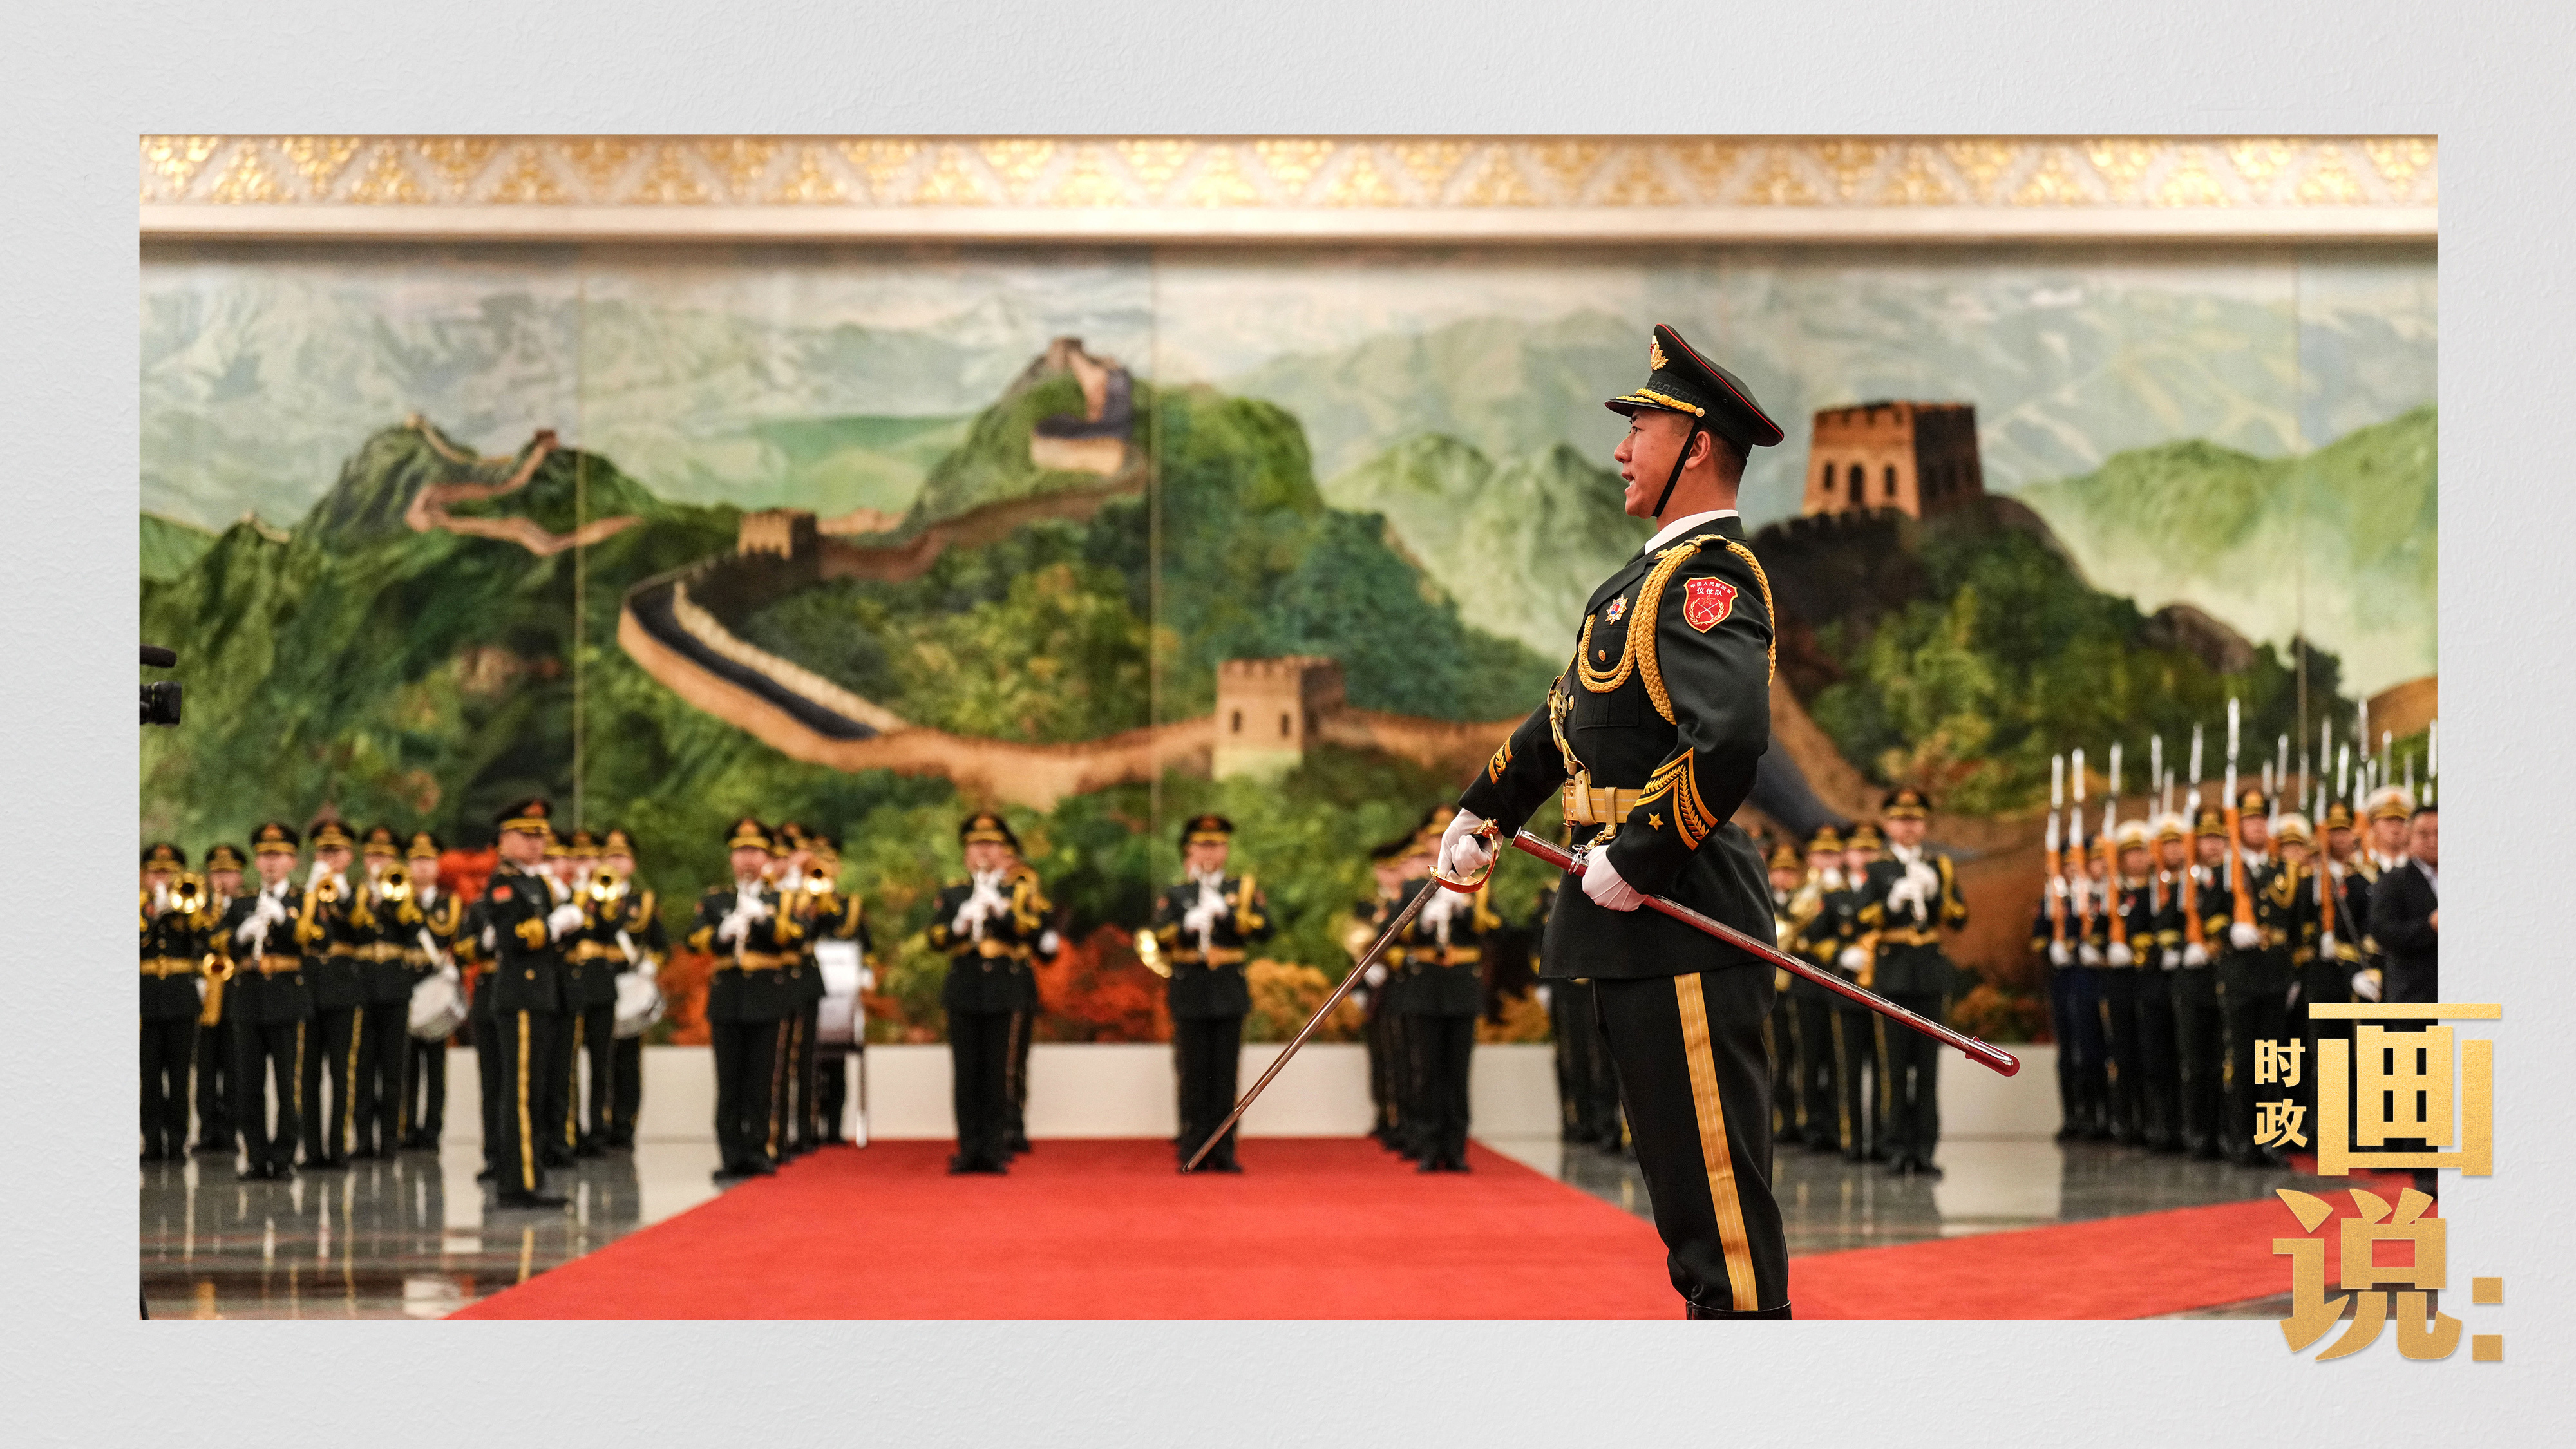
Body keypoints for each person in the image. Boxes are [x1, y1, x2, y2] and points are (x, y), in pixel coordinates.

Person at [1441, 323, 1792, 1318]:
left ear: (1697, 444)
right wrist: (1484, 807)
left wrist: (1640, 855)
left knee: (1717, 1211)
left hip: (1682, 916)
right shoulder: (1640, 583)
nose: (1620, 448)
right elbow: (1566, 717)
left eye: (1641, 427)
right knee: (1685, 1201)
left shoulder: (1708, 578)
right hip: (1637, 923)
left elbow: (1730, 739)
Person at [1144, 814, 1271, 1173]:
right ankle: (1193, 1148)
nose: (1209, 853)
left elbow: (1265, 929)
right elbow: (1158, 936)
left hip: (1228, 989)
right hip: (1190, 988)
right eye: (1202, 846)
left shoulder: (1241, 889)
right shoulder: (1177, 893)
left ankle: (1224, 1149)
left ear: (1225, 850)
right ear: (1190, 850)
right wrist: (1185, 926)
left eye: (1216, 846)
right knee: (1192, 1074)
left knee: (1225, 1076)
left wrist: (1227, 915)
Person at [1855, 787, 1971, 1177]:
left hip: (1930, 973)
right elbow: (1861, 917)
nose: (1909, 827)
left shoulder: (1940, 866)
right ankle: (1895, 1146)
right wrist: (1890, 903)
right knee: (1893, 1065)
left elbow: (1959, 917)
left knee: (1927, 1067)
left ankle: (1924, 1148)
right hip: (1893, 974)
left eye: (1916, 820)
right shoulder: (1878, 869)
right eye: (1901, 820)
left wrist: (1936, 892)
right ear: (1889, 824)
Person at [477, 798, 586, 1208]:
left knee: (534, 1090)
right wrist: (553, 927)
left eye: (540, 836)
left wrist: (570, 922)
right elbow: (512, 939)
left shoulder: (537, 884)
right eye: (527, 835)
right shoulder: (503, 884)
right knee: (521, 1091)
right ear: (505, 839)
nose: (537, 843)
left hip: (540, 993)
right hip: (519, 995)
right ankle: (518, 1182)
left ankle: (530, 1173)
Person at [926, 813, 1049, 1175]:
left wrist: (1001, 910)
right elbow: (935, 937)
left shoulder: (1018, 891)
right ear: (966, 854)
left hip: (1003, 989)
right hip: (964, 986)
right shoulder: (954, 893)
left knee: (998, 1072)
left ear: (1003, 851)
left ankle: (994, 1149)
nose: (984, 852)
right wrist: (960, 923)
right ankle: (968, 1149)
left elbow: (1034, 932)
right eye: (977, 846)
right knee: (966, 1074)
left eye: (991, 845)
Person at [688, 817, 808, 1181]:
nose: (748, 859)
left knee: (761, 1080)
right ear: (732, 858)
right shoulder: (717, 899)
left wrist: (765, 920)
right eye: (741, 852)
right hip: (727, 996)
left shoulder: (780, 899)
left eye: (755, 851)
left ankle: (759, 1150)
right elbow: (694, 940)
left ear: (767, 857)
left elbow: (797, 937)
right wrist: (722, 933)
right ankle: (730, 1155)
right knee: (729, 1083)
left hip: (765, 996)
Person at [2213, 789, 2317, 1166]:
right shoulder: (2224, 871)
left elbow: (2299, 925)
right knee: (2243, 1058)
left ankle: (2272, 1139)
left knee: (2273, 1058)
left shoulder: (2285, 870)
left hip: (2276, 974)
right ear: (2238, 825)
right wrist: (2230, 931)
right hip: (2240, 974)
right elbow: (2210, 916)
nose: (2256, 826)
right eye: (2249, 820)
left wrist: (2295, 975)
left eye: (2261, 819)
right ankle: (2242, 1138)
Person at [1395, 810, 1497, 1174]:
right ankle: (1428, 1145)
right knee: (1427, 1071)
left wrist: (1465, 909)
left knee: (1458, 1072)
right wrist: (1424, 920)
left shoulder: (1477, 883)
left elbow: (1496, 928)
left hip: (1461, 987)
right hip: (1425, 986)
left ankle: (1456, 1148)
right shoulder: (1414, 887)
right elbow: (1395, 930)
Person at [221, 823, 311, 1181]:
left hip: (287, 999)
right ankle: (256, 1156)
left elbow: (316, 941)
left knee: (289, 1085)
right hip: (249, 999)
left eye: (278, 856)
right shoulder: (243, 902)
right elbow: (218, 941)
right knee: (249, 1085)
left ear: (292, 861)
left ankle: (284, 1156)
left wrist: (283, 921)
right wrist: (240, 936)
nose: (270, 863)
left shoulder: (302, 900)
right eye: (264, 856)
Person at [293, 820, 372, 1169]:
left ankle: (339, 1147)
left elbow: (365, 931)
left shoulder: (358, 893)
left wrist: (340, 895)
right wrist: (311, 895)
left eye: (336, 852)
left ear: (349, 856)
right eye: (323, 851)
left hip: (343, 988)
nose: (329, 858)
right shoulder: (302, 894)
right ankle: (311, 1149)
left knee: (344, 1073)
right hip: (308, 987)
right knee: (307, 1074)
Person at [551, 828, 621, 1161]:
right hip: (571, 987)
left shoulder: (603, 894)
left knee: (601, 1064)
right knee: (568, 1065)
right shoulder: (560, 894)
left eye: (591, 857)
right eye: (578, 857)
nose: (584, 863)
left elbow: (610, 929)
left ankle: (599, 1130)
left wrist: (594, 897)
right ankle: (570, 1131)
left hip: (601, 987)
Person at [354, 825, 423, 1159]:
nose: (378, 862)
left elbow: (416, 932)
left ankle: (390, 1138)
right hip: (363, 987)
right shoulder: (356, 894)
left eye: (384, 856)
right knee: (363, 1067)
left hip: (395, 988)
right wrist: (366, 901)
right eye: (372, 855)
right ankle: (363, 1138)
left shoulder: (406, 893)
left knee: (394, 1068)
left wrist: (399, 904)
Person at [799, 833, 870, 1146]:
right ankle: (807, 1127)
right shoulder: (801, 903)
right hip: (810, 983)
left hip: (842, 989)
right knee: (806, 1062)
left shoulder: (849, 905)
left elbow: (863, 943)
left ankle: (834, 1128)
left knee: (836, 1063)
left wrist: (865, 972)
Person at [599, 828, 666, 1150]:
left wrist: (651, 965)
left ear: (633, 863)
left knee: (628, 1060)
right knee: (600, 1059)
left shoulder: (644, 902)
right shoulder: (591, 897)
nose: (615, 862)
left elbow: (660, 944)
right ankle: (598, 1124)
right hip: (599, 984)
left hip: (630, 986)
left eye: (621, 856)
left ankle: (624, 1124)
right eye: (610, 856)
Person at [398, 832, 464, 1151]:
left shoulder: (449, 904)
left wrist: (455, 967)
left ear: (438, 865)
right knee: (406, 1064)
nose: (421, 867)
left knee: (436, 1066)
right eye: (416, 860)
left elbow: (459, 941)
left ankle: (433, 1128)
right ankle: (406, 1127)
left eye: (428, 860)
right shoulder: (399, 900)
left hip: (436, 986)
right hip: (407, 985)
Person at [139, 843, 206, 1162]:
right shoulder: (139, 907)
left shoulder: (191, 908)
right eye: (156, 873)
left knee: (180, 1075)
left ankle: (178, 1141)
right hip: (147, 999)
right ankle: (151, 1140)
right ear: (145, 876)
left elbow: (203, 940)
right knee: (150, 1075)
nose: (161, 879)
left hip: (181, 999)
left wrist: (181, 912)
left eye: (168, 873)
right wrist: (154, 915)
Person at [2174, 806, 2231, 1159]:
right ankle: (2199, 1133)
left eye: (2218, 838)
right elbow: (2164, 925)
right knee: (2197, 1061)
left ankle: (2227, 1133)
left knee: (2226, 1061)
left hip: (2227, 976)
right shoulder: (2184, 881)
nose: (2212, 845)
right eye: (2206, 838)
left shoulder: (2233, 878)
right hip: (2194, 981)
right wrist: (2185, 949)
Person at [1783, 827, 1844, 1154]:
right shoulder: (1802, 890)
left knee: (1837, 1060)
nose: (1827, 861)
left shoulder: (1848, 889)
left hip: (1838, 980)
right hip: (1806, 980)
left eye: (1832, 854)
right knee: (1808, 1057)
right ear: (1810, 858)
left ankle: (1837, 1126)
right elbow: (1794, 919)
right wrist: (1819, 888)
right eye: (1821, 854)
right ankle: (1810, 1126)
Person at [2136, 813, 2192, 1152]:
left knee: (2189, 1057)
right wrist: (2157, 951)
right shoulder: (2147, 891)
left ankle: (2189, 1126)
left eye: (2178, 843)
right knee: (2158, 1058)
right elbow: (2136, 933)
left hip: (2188, 979)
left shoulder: (2194, 886)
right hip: (2155, 984)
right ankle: (2163, 1125)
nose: (2173, 850)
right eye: (2167, 844)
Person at [1824, 825, 1881, 1160]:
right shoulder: (1835, 896)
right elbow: (1815, 939)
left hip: (1884, 993)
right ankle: (1852, 1140)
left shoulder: (1885, 891)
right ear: (1847, 855)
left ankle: (1884, 1142)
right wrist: (1840, 953)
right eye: (1859, 850)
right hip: (1847, 990)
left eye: (1871, 850)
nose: (1865, 857)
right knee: (1848, 1071)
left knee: (1885, 1074)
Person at [1764, 840, 1812, 1148]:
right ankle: (1780, 1119)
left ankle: (1805, 1121)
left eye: (1791, 871)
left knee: (1805, 1058)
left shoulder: (1806, 901)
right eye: (1779, 871)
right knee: (1776, 1057)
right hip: (1772, 988)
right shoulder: (1762, 898)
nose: (1784, 877)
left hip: (1800, 987)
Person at [2364, 806, 2438, 1004]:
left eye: (2439, 833)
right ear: (2410, 836)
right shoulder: (2393, 881)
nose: (2433, 841)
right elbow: (2382, 931)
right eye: (2424, 834)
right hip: (2414, 996)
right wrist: (2429, 927)